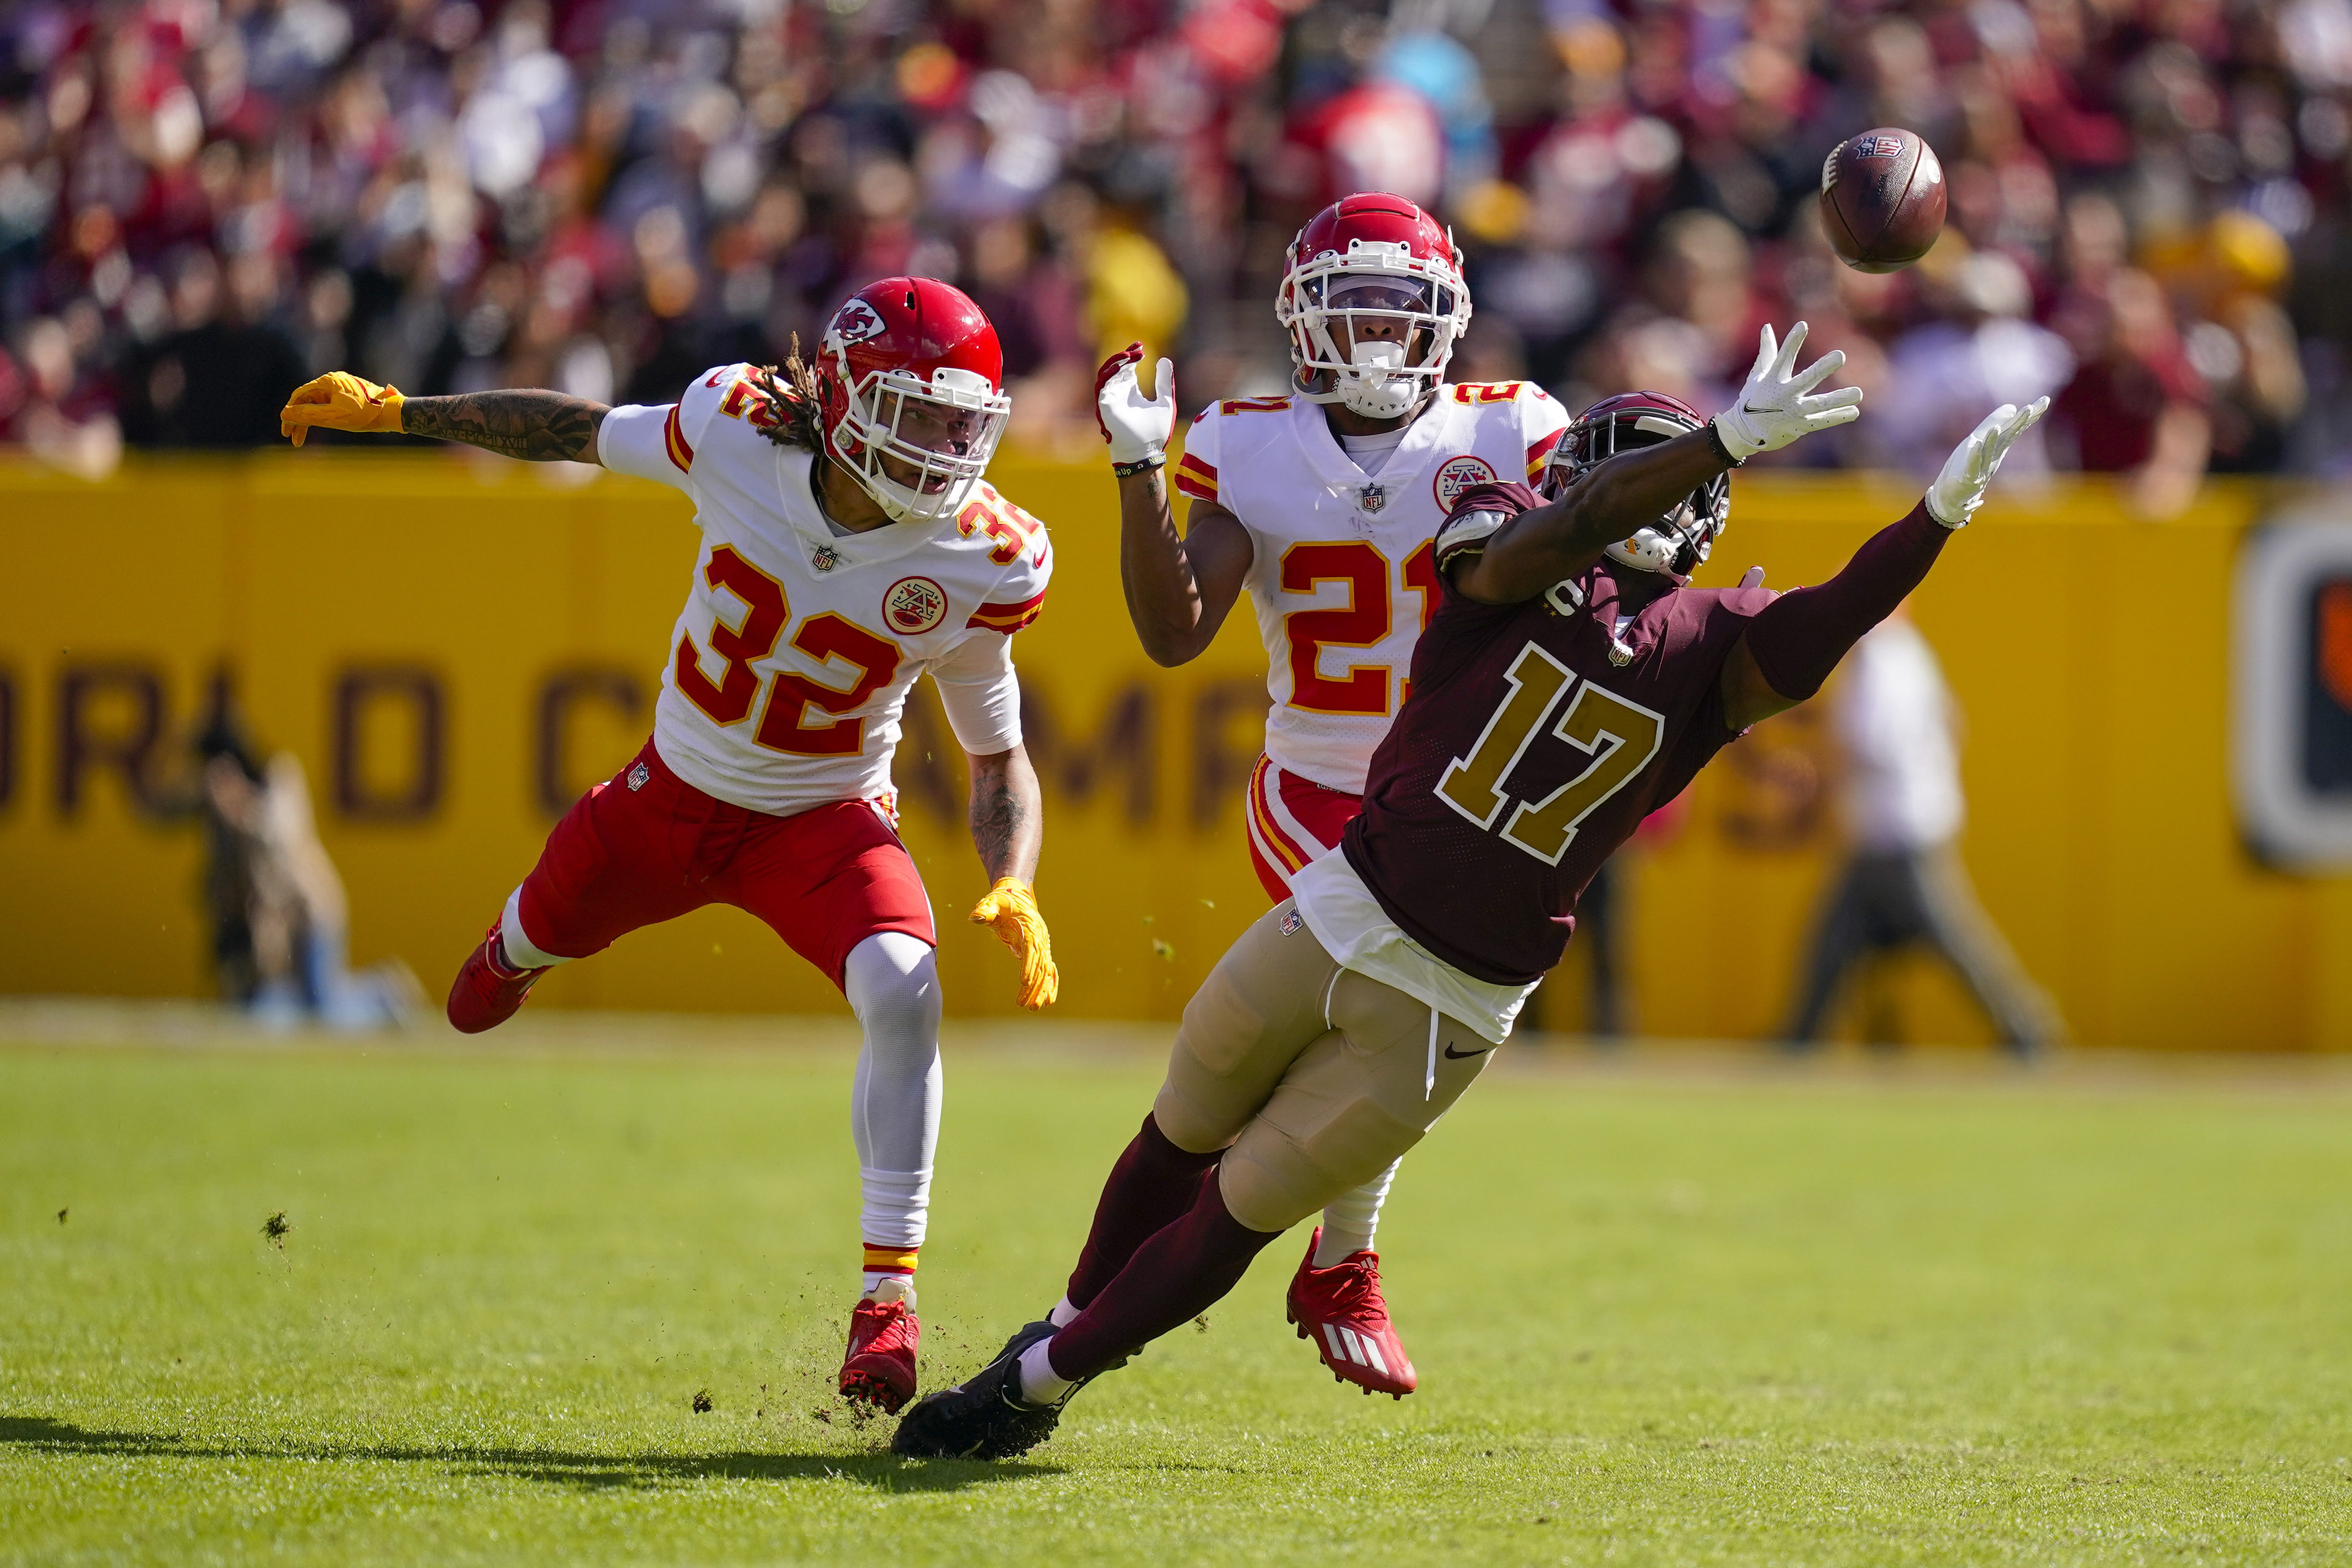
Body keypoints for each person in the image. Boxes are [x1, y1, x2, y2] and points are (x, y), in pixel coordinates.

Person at [891, 327, 2044, 1460]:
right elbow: (1579, 527)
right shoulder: (1501, 549)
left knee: (1232, 1212)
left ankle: (1035, 1386)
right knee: (1174, 1134)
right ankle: (1051, 1331)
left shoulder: (1715, 648)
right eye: (1630, 467)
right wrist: (1724, 442)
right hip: (1340, 906)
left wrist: (1931, 522)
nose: (1636, 492)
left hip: (1451, 999)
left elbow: (1841, 606)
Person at [277, 277, 1062, 1417]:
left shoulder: (986, 552)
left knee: (906, 986)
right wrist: (405, 414)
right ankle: (518, 952)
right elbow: (573, 431)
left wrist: (1015, 880)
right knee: (502, 966)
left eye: (964, 422)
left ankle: (886, 1298)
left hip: (824, 821)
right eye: (922, 413)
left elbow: (996, 755)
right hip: (665, 801)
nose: (949, 448)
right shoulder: (734, 427)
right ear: (841, 399)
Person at [1090, 191, 1571, 1396]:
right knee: (1382, 1021)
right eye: (1348, 306)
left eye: (1398, 308)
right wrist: (1139, 471)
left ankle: (1301, 1257)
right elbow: (1171, 632)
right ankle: (1340, 1261)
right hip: (1318, 786)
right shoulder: (1246, 442)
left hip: (1458, 788)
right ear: (1301, 317)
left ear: (1446, 320)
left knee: (1397, 1040)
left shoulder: (1514, 427)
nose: (1370, 334)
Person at [1780, 610, 2062, 1057]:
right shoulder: (1909, 650)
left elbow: (1868, 743)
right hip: (1902, 821)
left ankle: (2026, 1028)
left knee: (1952, 937)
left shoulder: (1879, 656)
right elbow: (1954, 719)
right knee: (1833, 940)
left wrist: (1820, 785)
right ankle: (1797, 1039)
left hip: (1897, 830)